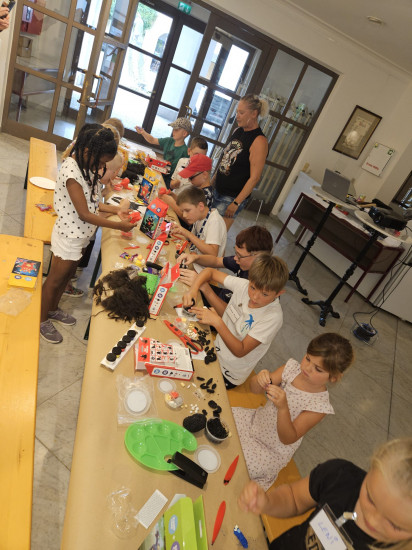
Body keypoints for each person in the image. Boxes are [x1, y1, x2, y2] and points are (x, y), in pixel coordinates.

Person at [40, 126, 136, 344]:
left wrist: (116, 210)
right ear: (87, 151)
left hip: (81, 235)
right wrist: (119, 226)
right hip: (69, 236)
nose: (102, 167)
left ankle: (52, 309)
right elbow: (84, 213)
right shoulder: (72, 173)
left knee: (66, 277)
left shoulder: (87, 167)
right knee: (54, 280)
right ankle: (41, 318)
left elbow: (93, 202)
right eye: (101, 162)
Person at [238, 437, 412, 550]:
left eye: (395, 525)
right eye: (371, 499)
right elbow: (294, 498)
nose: (372, 520)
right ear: (371, 469)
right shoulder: (340, 477)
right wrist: (268, 502)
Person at [233, 333, 354, 491]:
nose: (307, 368)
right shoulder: (290, 369)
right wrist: (260, 379)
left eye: (318, 369)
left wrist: (283, 408)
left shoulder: (318, 406)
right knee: (219, 418)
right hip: (255, 421)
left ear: (333, 378)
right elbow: (253, 389)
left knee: (238, 465)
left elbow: (288, 438)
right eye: (308, 358)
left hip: (270, 450)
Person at [182, 253, 289, 388]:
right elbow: (210, 272)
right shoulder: (244, 286)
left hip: (228, 372)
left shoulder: (272, 317)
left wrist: (217, 322)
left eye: (265, 294)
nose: (254, 297)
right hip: (214, 348)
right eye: (252, 288)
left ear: (279, 293)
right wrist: (193, 290)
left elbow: (240, 351)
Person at [212, 94, 269, 229]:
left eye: (241, 113)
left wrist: (236, 203)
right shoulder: (237, 130)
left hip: (231, 197)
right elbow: (225, 159)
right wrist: (213, 180)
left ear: (254, 113)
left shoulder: (259, 141)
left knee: (214, 235)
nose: (237, 116)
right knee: (204, 229)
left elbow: (255, 178)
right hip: (217, 189)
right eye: (237, 112)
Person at [177, 225, 273, 303]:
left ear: (258, 258)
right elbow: (216, 261)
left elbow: (227, 311)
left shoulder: (259, 286)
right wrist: (196, 258)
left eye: (240, 256)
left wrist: (202, 285)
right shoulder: (243, 261)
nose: (235, 258)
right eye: (236, 253)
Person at [171, 187, 227, 268]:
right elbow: (196, 240)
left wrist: (187, 233)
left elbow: (213, 253)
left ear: (201, 206)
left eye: (187, 210)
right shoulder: (198, 216)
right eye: (182, 211)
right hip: (194, 258)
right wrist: (181, 232)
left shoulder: (214, 221)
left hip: (202, 269)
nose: (184, 215)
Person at [135, 117, 192, 187]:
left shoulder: (185, 151)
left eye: (176, 130)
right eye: (173, 129)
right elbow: (152, 140)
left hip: (169, 182)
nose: (173, 131)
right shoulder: (169, 141)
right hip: (159, 175)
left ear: (184, 133)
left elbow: (183, 173)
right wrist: (143, 132)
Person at [160, 154, 214, 225]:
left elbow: (190, 220)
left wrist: (172, 203)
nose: (189, 180)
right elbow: (188, 204)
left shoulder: (206, 195)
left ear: (204, 175)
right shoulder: (197, 187)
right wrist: (172, 195)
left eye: (191, 177)